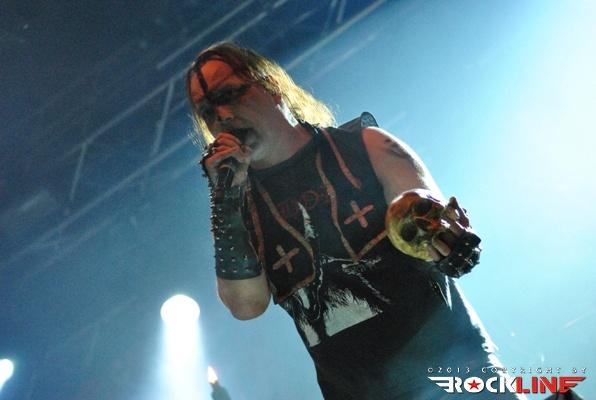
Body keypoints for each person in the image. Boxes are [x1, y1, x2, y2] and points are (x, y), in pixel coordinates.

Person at [186, 42, 523, 399]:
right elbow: (246, 306)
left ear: (271, 87)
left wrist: (447, 239)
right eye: (207, 111)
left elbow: (424, 214)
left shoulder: (366, 146)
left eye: (229, 94)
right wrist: (225, 197)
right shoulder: (241, 209)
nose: (221, 115)